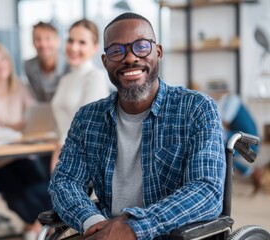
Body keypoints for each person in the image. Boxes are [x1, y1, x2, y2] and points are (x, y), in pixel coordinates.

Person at [49, 12, 226, 240]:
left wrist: (135, 227)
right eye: (116, 51)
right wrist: (93, 222)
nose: (130, 58)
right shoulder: (87, 118)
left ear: (158, 52)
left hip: (170, 234)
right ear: (105, 61)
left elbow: (206, 191)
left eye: (141, 47)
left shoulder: (196, 108)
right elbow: (65, 181)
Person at [0, 43, 52, 240]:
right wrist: (15, 127)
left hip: (18, 154)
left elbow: (33, 116)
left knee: (40, 186)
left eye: (3, 59)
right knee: (17, 193)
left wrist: (9, 128)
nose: (0, 65)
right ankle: (35, 228)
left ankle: (36, 228)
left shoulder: (18, 85)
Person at [50, 19, 109, 170]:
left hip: (83, 163)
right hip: (61, 156)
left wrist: (61, 152)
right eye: (70, 40)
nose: (74, 47)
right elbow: (62, 123)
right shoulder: (65, 79)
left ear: (95, 48)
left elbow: (88, 128)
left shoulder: (96, 77)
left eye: (82, 42)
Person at [207, 81, 263, 193]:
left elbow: (222, 124)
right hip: (238, 137)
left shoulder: (232, 101)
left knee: (221, 152)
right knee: (221, 152)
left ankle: (252, 172)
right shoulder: (225, 101)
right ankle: (251, 172)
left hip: (248, 140)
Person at [24, 21, 68, 102]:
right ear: (33, 42)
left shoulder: (69, 65)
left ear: (58, 41)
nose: (43, 44)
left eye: (48, 38)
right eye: (38, 39)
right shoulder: (29, 66)